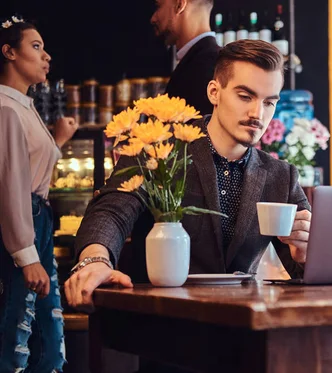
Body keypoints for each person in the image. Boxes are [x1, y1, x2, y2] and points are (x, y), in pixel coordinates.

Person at [65, 40, 311, 312]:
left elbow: (307, 266)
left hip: (244, 329)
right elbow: (111, 210)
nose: (258, 114)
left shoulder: (281, 176)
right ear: (214, 92)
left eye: (269, 102)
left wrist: (306, 255)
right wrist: (95, 260)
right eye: (245, 96)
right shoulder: (160, 148)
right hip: (166, 323)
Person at [0, 17, 78, 372]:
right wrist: (25, 254)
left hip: (37, 220)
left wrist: (58, 140)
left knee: (48, 326)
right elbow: (11, 185)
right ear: (9, 53)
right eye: (35, 47)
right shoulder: (6, 109)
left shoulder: (21, 105)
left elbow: (30, 166)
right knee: (20, 326)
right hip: (24, 223)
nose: (46, 56)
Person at [151, 0, 220, 116]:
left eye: (158, 6)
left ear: (179, 5)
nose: (153, 18)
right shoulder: (208, 61)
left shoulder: (209, 66)